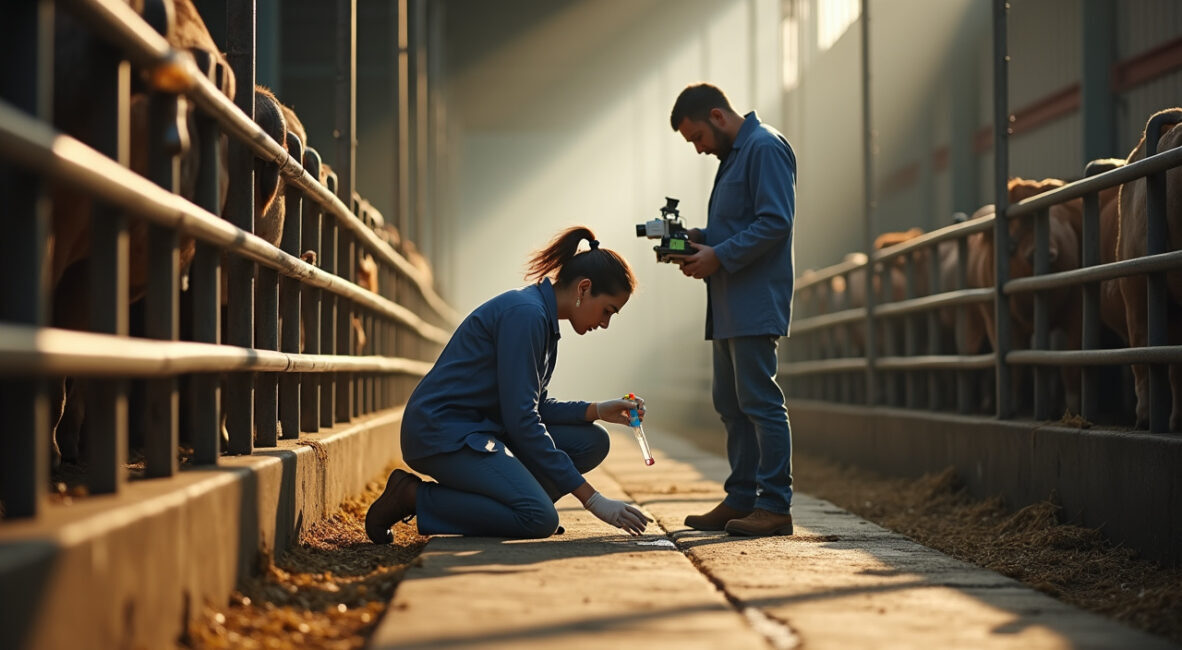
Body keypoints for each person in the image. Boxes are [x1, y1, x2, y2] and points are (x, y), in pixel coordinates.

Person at [366, 226, 652, 542]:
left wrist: (597, 410)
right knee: (538, 519)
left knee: (593, 441)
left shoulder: (542, 317)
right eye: (608, 310)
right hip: (444, 433)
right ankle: (411, 496)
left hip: (479, 431)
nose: (605, 323)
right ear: (584, 289)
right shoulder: (527, 316)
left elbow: (535, 405)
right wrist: (593, 499)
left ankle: (511, 510)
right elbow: (523, 421)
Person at [669, 82, 796, 537]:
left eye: (697, 138)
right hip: (727, 304)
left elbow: (775, 222)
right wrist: (696, 240)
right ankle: (742, 497)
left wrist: (717, 256)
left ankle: (775, 505)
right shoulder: (735, 156)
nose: (699, 149)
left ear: (718, 117)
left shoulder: (764, 148)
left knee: (760, 403)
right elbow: (736, 226)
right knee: (731, 404)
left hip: (754, 299)